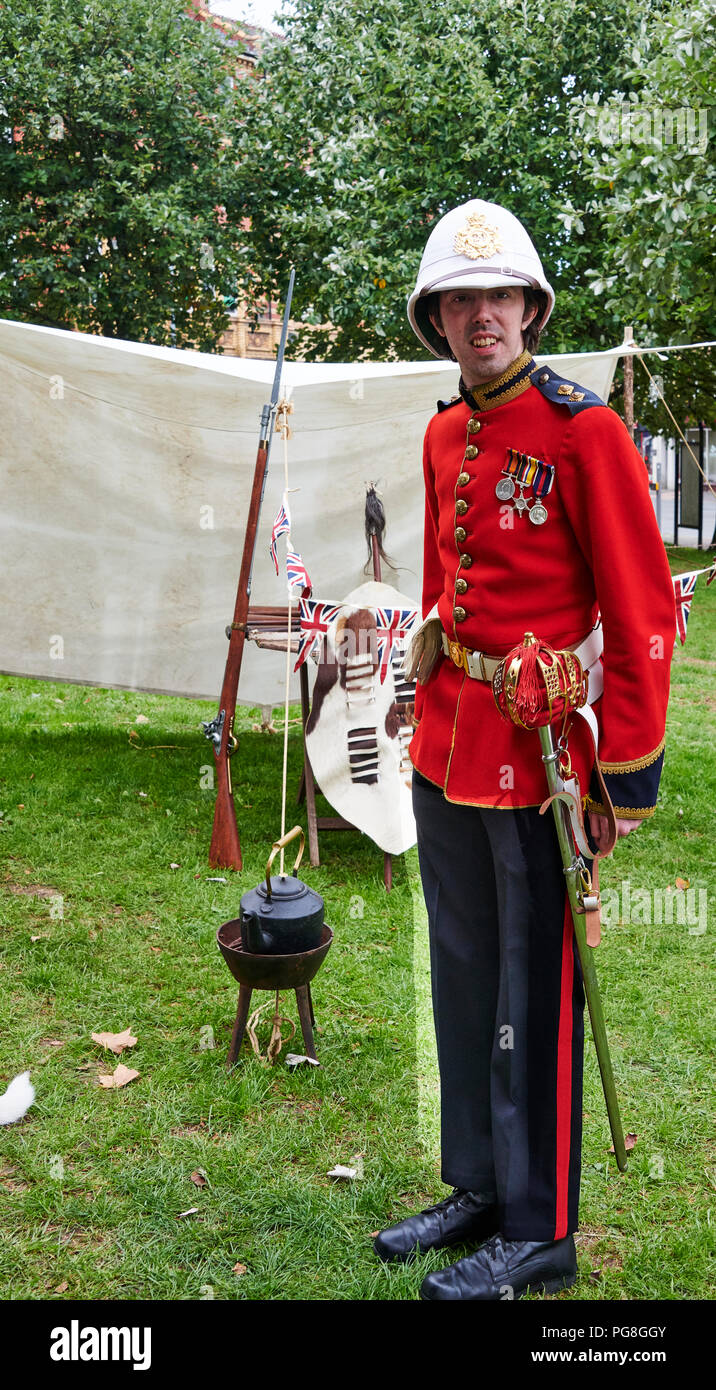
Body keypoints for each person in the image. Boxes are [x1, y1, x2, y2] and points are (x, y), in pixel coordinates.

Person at [373, 199, 676, 1300]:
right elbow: (440, 588)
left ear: (529, 308)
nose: (479, 315)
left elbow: (643, 607)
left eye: (497, 296)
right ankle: (476, 1185)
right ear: (437, 318)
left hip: (538, 758)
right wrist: (419, 688)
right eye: (459, 298)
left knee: (529, 986)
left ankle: (539, 1224)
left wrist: (626, 778)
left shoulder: (581, 430)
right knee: (459, 971)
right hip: (449, 743)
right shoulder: (442, 433)